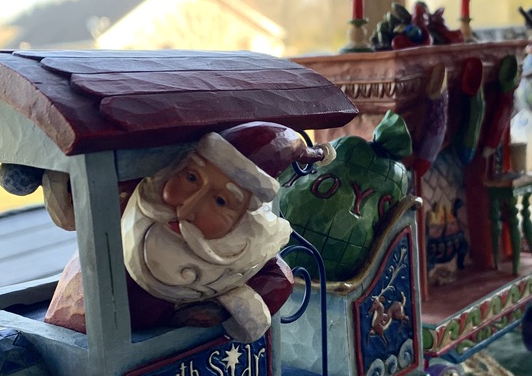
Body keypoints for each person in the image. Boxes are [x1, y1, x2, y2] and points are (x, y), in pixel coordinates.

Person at [45, 122, 334, 343]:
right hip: (78, 327)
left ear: (245, 217)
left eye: (220, 201)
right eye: (192, 178)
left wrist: (227, 306)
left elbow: (275, 284)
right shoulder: (133, 198)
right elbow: (70, 206)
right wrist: (48, 171)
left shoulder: (247, 256)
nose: (187, 209)